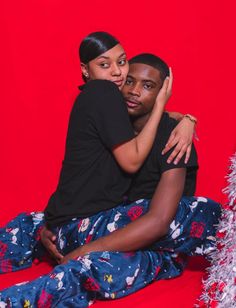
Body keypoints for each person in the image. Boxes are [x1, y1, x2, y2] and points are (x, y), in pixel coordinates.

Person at [0, 53, 221, 307]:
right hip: (105, 222)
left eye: (148, 86)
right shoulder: (114, 125)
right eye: (130, 81)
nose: (135, 91)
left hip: (152, 243)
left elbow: (159, 221)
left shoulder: (174, 140)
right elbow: (78, 179)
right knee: (32, 224)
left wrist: (83, 251)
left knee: (88, 269)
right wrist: (55, 221)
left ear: (163, 93)